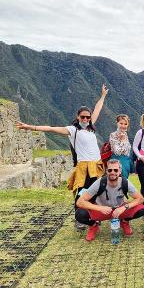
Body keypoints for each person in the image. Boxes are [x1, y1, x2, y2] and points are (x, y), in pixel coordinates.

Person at [16, 84, 108, 230]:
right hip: (84, 167)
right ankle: (80, 218)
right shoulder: (72, 130)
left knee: (94, 192)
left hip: (96, 165)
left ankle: (93, 216)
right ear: (78, 117)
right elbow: (51, 129)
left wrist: (103, 95)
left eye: (87, 117)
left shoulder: (91, 128)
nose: (85, 119)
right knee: (82, 192)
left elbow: (97, 109)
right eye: (82, 117)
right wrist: (30, 127)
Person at [75, 159, 144, 241]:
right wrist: (100, 208)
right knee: (80, 214)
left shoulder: (125, 182)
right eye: (110, 170)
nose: (112, 172)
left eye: (115, 170)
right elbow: (79, 202)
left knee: (141, 209)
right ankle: (93, 225)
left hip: (119, 210)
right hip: (102, 210)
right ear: (106, 171)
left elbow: (141, 198)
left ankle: (124, 221)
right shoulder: (99, 182)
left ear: (120, 171)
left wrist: (124, 207)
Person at [109, 114, 133, 179]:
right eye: (121, 123)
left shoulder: (125, 134)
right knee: (116, 180)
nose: (123, 126)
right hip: (116, 161)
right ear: (117, 123)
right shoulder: (113, 135)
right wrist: (122, 141)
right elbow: (117, 152)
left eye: (125, 124)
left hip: (126, 162)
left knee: (124, 182)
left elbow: (128, 150)